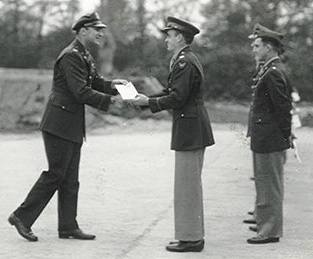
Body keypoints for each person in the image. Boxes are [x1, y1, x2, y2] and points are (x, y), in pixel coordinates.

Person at [8, 12, 126, 242]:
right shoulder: (71, 56)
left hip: (69, 124)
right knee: (56, 174)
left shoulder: (82, 53)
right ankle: (21, 216)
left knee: (70, 178)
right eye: (96, 29)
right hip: (59, 124)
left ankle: (68, 227)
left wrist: (114, 86)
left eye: (101, 29)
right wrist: (109, 100)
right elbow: (80, 91)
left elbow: (94, 82)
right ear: (83, 31)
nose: (101, 33)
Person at [128, 16, 214, 252]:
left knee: (188, 185)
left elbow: (178, 97)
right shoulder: (183, 60)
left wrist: (150, 103)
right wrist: (147, 102)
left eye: (169, 35)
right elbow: (172, 91)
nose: (166, 39)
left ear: (179, 37)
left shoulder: (185, 62)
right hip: (191, 127)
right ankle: (190, 235)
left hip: (191, 128)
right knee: (187, 184)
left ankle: (192, 239)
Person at [246, 23, 293, 244]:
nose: (254, 49)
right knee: (263, 182)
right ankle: (265, 222)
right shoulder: (269, 68)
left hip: (271, 137)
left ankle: (270, 230)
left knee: (270, 185)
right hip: (264, 136)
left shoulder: (273, 72)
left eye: (257, 46)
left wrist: (285, 137)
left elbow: (282, 108)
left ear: (269, 47)